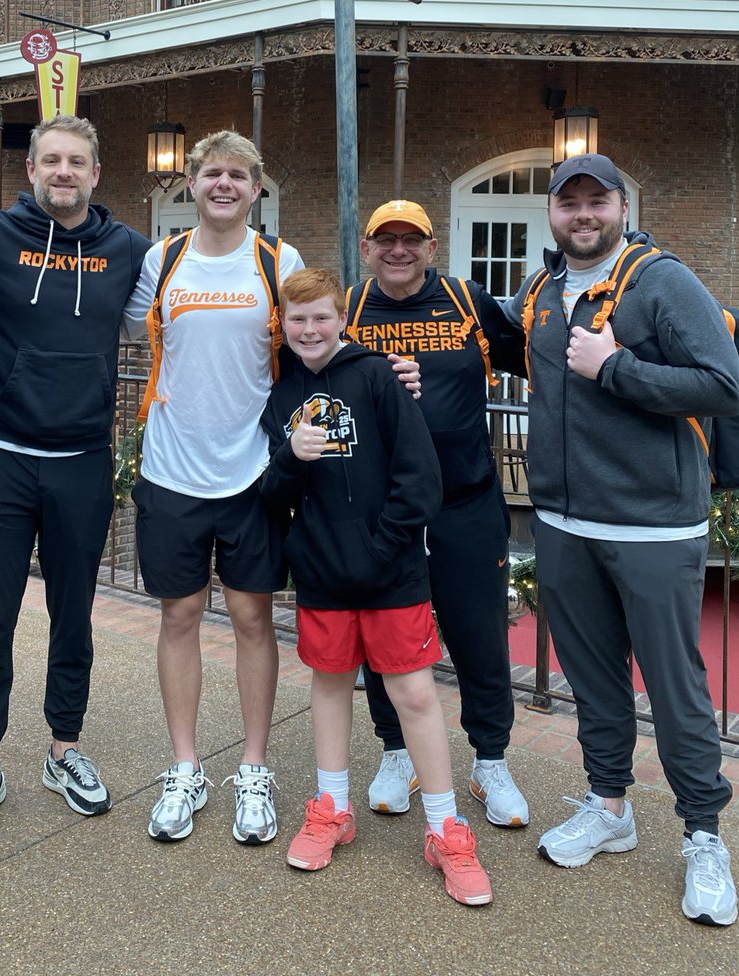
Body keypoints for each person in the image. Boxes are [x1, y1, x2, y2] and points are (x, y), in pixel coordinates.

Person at [123, 130, 421, 846]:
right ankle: (186, 764)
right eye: (211, 173)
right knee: (179, 618)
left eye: (239, 175)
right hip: (171, 470)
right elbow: (121, 329)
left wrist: (385, 370)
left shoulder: (274, 259)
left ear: (257, 189)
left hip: (255, 472)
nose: (224, 184)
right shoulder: (160, 260)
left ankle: (253, 767)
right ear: (190, 183)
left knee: (254, 622)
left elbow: (319, 334)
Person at [502, 152, 739, 927]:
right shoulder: (540, 291)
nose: (583, 215)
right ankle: (610, 806)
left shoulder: (661, 282)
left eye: (596, 201)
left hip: (655, 524)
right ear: (551, 214)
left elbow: (724, 382)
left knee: (674, 691)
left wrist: (617, 369)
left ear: (622, 208)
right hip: (566, 523)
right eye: (568, 203)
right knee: (596, 681)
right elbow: (479, 330)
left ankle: (703, 834)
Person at [260, 267, 493, 906]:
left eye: (322, 317)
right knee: (330, 684)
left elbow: (420, 478)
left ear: (342, 319)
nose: (310, 330)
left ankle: (446, 828)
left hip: (391, 571)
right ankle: (332, 807)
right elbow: (272, 494)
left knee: (414, 692)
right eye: (298, 319)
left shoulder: (379, 377)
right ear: (286, 324)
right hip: (322, 572)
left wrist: (383, 547)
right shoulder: (282, 396)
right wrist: (291, 457)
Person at [0, 114, 150, 834]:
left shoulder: (129, 251)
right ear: (30, 171)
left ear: (95, 173)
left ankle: (64, 748)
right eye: (50, 160)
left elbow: (191, 312)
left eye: (75, 162)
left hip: (83, 459)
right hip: (0, 454)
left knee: (71, 616)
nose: (62, 172)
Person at [345, 200, 529, 830]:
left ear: (430, 246)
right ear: (367, 248)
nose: (399, 250)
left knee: (479, 633)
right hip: (385, 508)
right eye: (385, 240)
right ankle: (397, 753)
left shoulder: (466, 300)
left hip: (465, 499)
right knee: (385, 639)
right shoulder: (349, 310)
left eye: (412, 240)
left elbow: (535, 353)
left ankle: (490, 760)